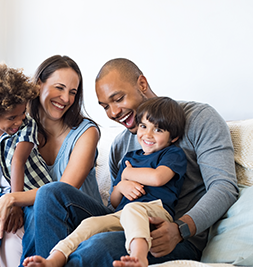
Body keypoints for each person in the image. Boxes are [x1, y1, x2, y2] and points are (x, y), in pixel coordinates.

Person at [26, 58, 239, 266]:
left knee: (97, 247)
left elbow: (224, 187)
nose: (114, 113)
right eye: (105, 107)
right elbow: (115, 205)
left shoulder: (199, 118)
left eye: (118, 99)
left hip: (171, 235)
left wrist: (180, 229)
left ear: (142, 84)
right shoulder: (120, 146)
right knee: (50, 192)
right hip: (124, 220)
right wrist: (120, 187)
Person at [0, 55, 102, 267]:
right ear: (38, 84)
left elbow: (62, 191)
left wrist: (11, 199)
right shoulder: (18, 126)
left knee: (44, 199)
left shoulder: (86, 133)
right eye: (59, 88)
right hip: (42, 208)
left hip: (79, 214)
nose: (66, 98)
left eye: (72, 92)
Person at [23, 96, 187, 267]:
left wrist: (128, 173)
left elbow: (158, 178)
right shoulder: (130, 157)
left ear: (173, 137)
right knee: (90, 223)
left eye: (158, 130)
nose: (148, 134)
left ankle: (139, 257)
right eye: (143, 126)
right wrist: (122, 184)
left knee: (133, 208)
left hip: (156, 212)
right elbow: (114, 201)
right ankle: (54, 259)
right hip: (121, 214)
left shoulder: (172, 154)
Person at [0, 63, 53, 267]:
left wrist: (15, 203)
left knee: (34, 217)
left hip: (33, 191)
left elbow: (18, 161)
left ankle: (30, 263)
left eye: (22, 113)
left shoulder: (26, 125)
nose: (19, 120)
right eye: (11, 117)